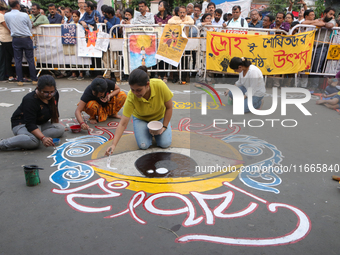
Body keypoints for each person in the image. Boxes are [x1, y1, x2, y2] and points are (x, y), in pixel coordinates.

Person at [105, 66, 173, 155]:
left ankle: (154, 134)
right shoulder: (131, 96)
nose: (135, 93)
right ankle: (146, 131)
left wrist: (164, 126)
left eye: (139, 90)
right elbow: (123, 123)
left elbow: (169, 107)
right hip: (141, 119)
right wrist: (113, 145)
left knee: (165, 144)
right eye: (132, 89)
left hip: (159, 117)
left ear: (147, 85)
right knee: (143, 145)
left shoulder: (160, 85)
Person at [0, 75, 64, 150]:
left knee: (60, 128)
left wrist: (57, 123)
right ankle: (3, 143)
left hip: (40, 124)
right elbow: (30, 124)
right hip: (22, 124)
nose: (49, 95)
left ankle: (27, 139)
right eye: (46, 92)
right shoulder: (30, 99)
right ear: (38, 89)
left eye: (52, 92)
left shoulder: (55, 95)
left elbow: (54, 110)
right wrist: (43, 138)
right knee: (34, 142)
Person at [4, 0, 38, 86]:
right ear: (18, 5)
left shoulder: (7, 15)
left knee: (18, 60)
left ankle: (20, 80)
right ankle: (34, 79)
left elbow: (8, 25)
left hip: (15, 38)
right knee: (30, 59)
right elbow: (29, 26)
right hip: (26, 38)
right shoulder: (24, 15)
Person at [168, 5, 194, 83]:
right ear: (178, 13)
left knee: (185, 60)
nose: (182, 14)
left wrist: (183, 22)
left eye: (183, 12)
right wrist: (181, 22)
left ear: (186, 12)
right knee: (175, 60)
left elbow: (191, 22)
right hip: (176, 41)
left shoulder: (188, 18)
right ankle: (175, 77)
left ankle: (183, 77)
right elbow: (169, 22)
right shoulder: (175, 18)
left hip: (185, 42)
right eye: (181, 12)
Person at [153, 0, 172, 82]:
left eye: (161, 5)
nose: (159, 6)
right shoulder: (155, 17)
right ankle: (159, 75)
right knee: (158, 58)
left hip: (166, 39)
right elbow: (152, 26)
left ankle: (165, 75)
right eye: (158, 5)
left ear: (165, 7)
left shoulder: (170, 17)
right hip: (157, 40)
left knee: (165, 58)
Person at [0, 2, 14, 82]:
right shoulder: (1, 16)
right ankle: (8, 75)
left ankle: (9, 75)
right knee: (8, 58)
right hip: (6, 39)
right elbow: (8, 27)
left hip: (3, 39)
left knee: (6, 59)